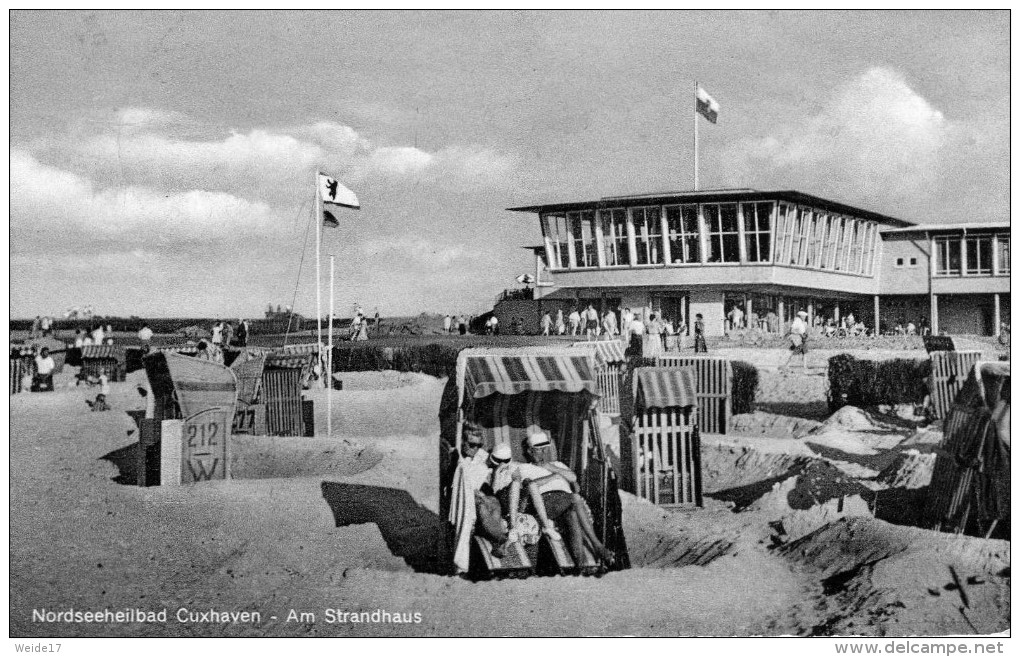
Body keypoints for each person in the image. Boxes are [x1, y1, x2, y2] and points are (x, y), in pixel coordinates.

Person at [494, 432, 615, 567]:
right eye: (539, 449)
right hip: (544, 502)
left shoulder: (557, 464)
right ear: (529, 451)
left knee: (573, 515)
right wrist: (553, 477)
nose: (543, 453)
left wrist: (552, 468)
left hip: (565, 503)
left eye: (545, 449)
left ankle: (581, 566)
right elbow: (526, 488)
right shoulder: (524, 468)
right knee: (575, 499)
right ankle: (598, 546)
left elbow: (573, 479)